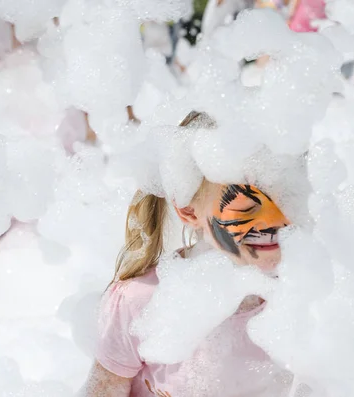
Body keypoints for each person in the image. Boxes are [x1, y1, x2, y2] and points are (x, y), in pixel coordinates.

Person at [83, 111, 294, 396]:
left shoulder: (303, 294)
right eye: (246, 208)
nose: (274, 220)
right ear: (188, 211)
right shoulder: (141, 301)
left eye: (287, 199)